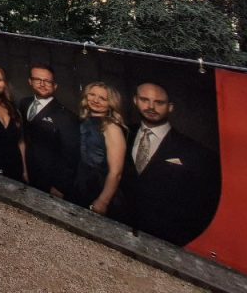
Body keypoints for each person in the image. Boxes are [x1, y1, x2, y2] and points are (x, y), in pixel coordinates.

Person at [119, 82, 221, 245]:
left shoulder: (194, 152)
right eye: (145, 100)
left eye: (159, 103)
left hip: (165, 240)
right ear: (135, 101)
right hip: (118, 229)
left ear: (170, 107)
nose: (151, 107)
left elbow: (202, 205)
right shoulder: (122, 134)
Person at [18, 63, 79, 199]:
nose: (42, 84)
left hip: (50, 181)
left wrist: (60, 186)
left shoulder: (67, 116)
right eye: (37, 80)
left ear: (55, 86)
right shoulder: (24, 103)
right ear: (30, 82)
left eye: (47, 81)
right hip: (25, 172)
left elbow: (71, 156)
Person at [71, 81, 127, 216]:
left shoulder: (111, 127)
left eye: (103, 98)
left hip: (100, 187)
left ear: (111, 103)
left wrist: (103, 201)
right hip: (81, 181)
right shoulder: (85, 120)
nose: (95, 100)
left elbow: (116, 172)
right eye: (92, 95)